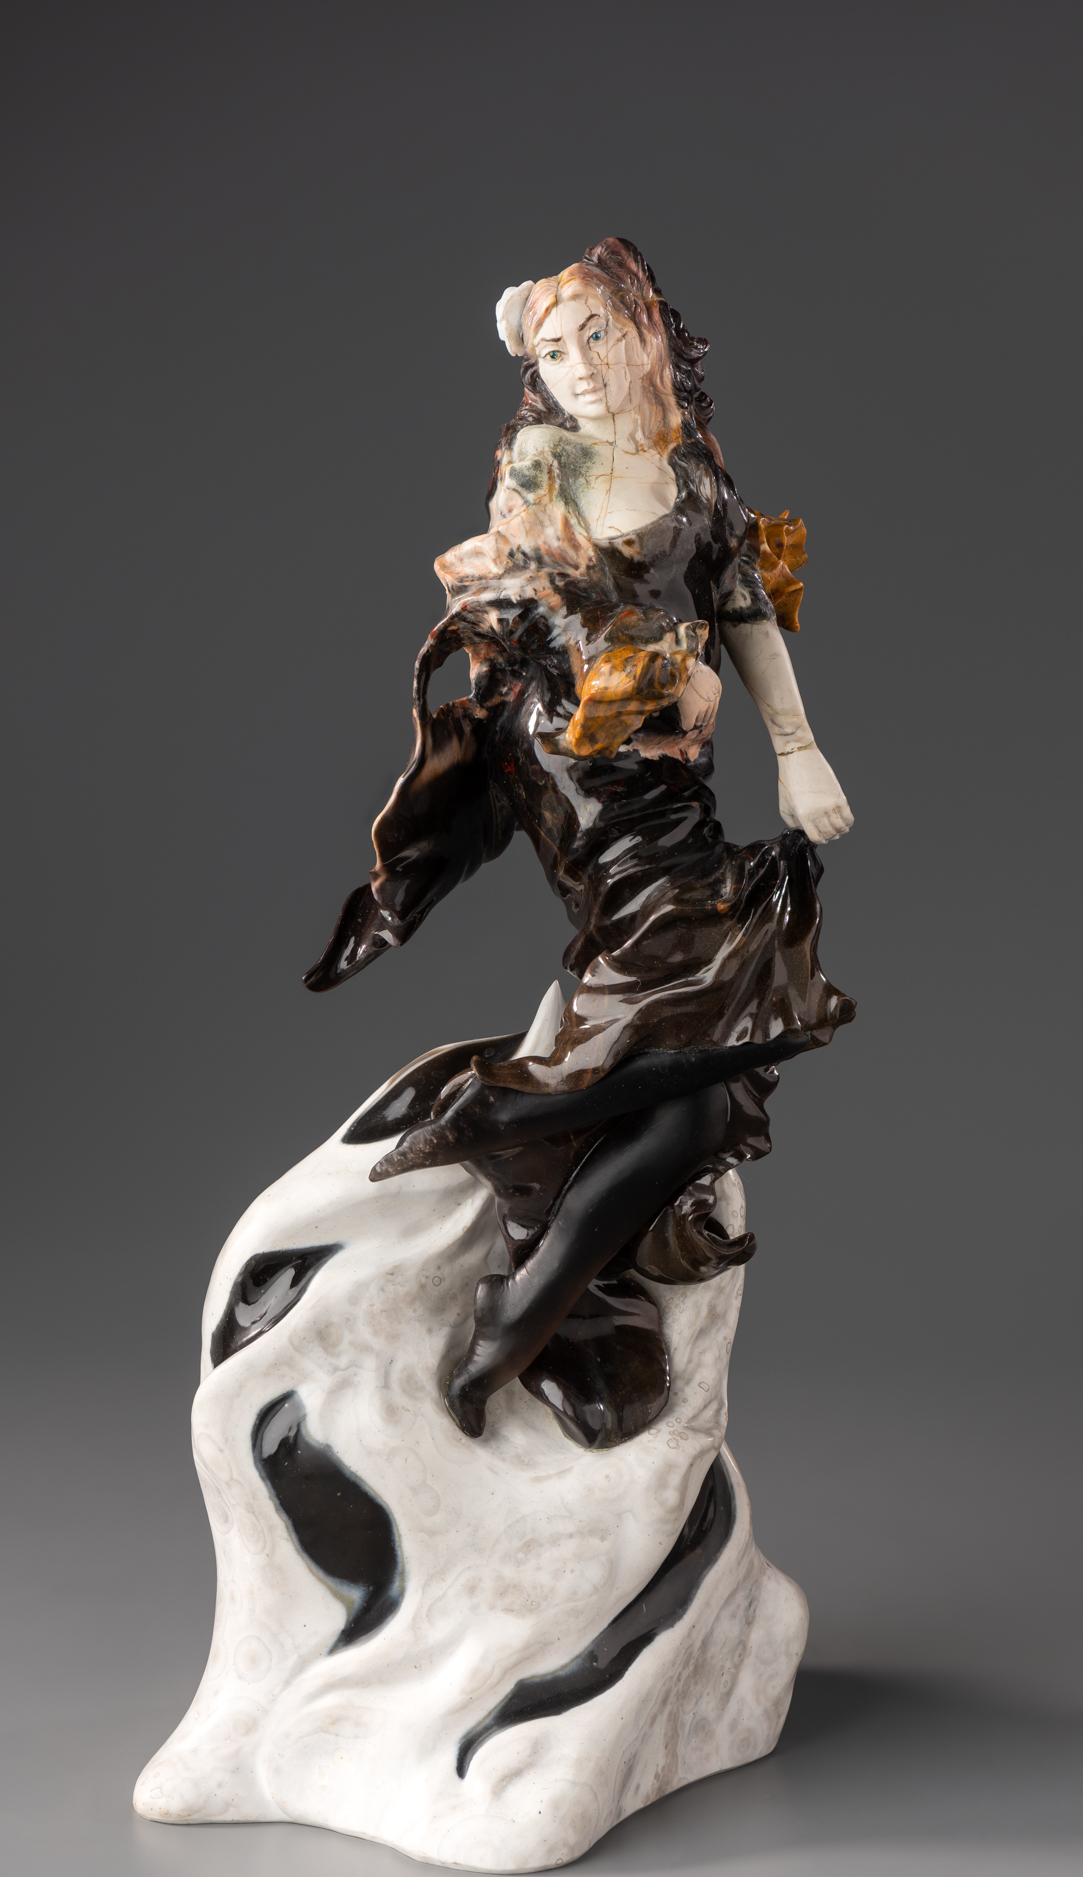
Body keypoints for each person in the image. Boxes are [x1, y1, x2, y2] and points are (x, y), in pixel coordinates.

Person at [305, 238, 855, 1441]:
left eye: (597, 337)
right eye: (554, 351)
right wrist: (666, 675)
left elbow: (744, 609)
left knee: (701, 1093)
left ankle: (526, 1258)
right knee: (714, 984)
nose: (580, 368)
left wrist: (798, 746)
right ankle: (514, 1149)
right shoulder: (539, 469)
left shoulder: (695, 476)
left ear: (646, 333)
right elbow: (531, 621)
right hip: (574, 761)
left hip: (670, 771)